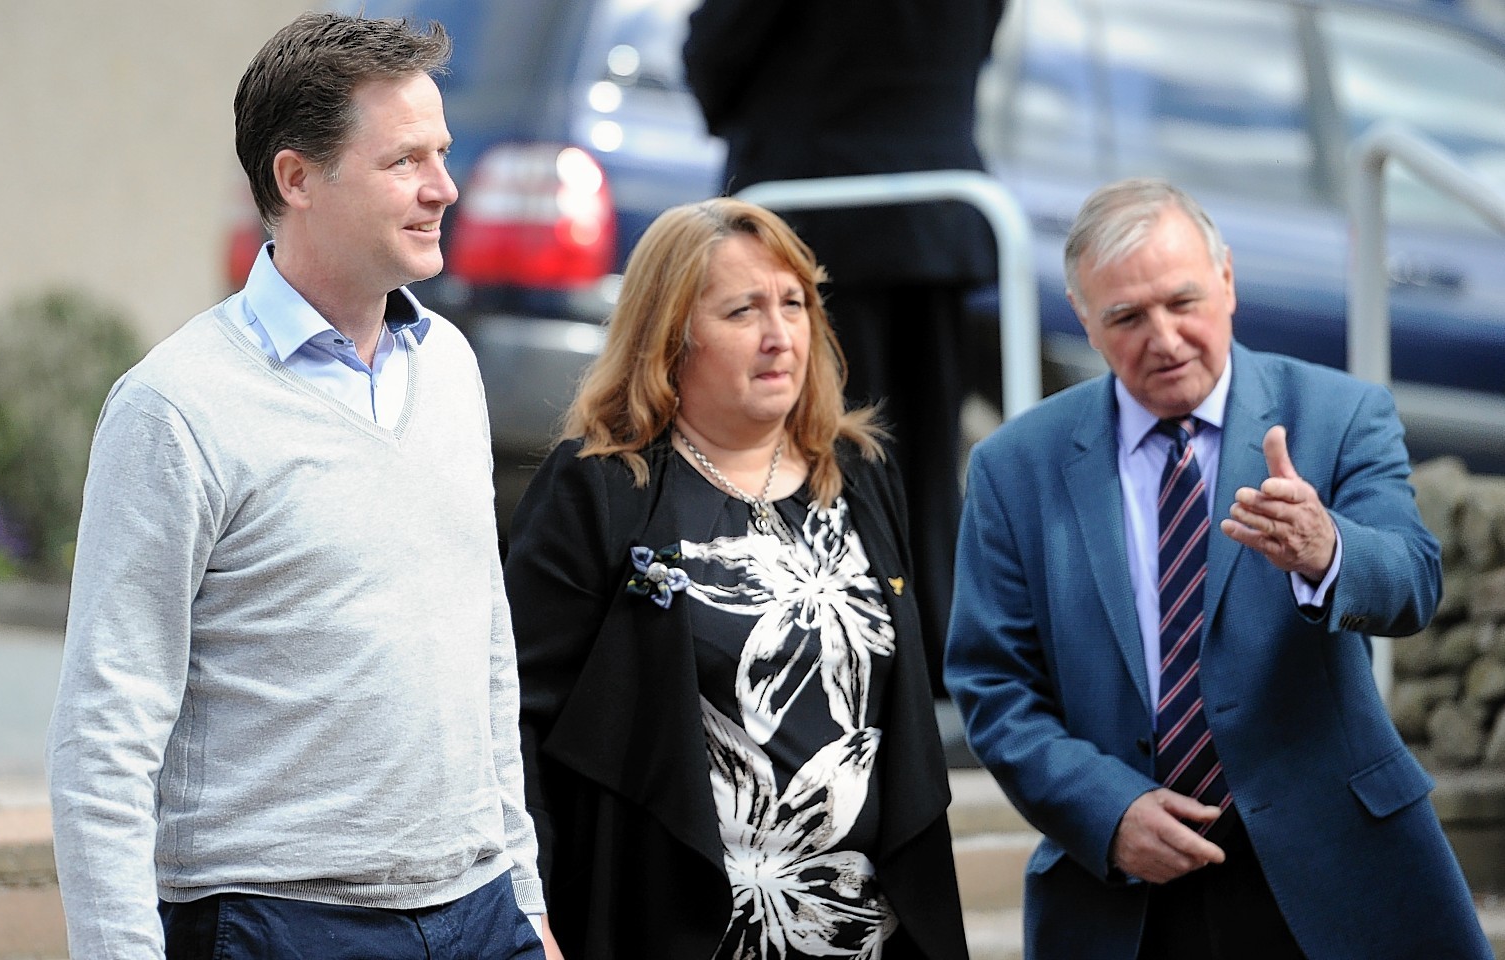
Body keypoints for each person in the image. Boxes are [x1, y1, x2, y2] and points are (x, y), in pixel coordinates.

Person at [45, 13, 552, 959]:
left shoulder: (449, 365)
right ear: (296, 178)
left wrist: (524, 899)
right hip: (276, 924)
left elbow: (486, 651)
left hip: (482, 911)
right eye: (405, 161)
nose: (444, 187)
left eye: (441, 153)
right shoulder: (175, 407)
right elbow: (103, 738)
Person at [944, 177, 1491, 959]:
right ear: (1085, 321)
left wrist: (1327, 549)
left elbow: (1412, 580)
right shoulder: (1014, 467)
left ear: (1227, 281)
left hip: (1341, 874)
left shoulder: (1337, 415)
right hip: (1125, 895)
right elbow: (993, 685)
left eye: (1183, 302)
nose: (1163, 338)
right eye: (1127, 317)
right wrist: (1107, 811)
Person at [504, 197, 966, 960]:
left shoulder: (857, 476)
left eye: (794, 304)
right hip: (677, 926)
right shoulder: (600, 490)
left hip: (861, 933)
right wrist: (532, 910)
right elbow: (515, 717)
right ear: (671, 335)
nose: (780, 336)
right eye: (742, 311)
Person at [682, 0, 1006, 694]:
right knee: (921, 453)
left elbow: (715, 55)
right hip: (936, 214)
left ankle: (835, 655)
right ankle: (924, 649)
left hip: (809, 211)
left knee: (806, 450)